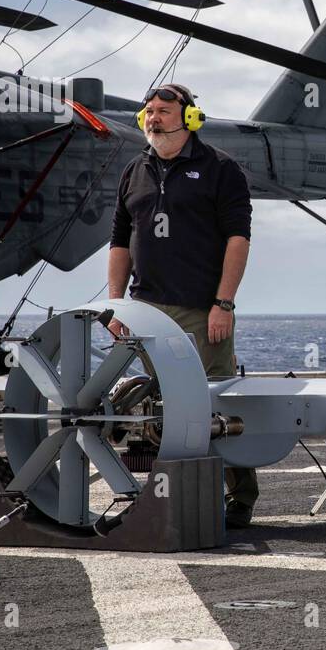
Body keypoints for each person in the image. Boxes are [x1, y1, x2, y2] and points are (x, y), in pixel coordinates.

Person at [106, 83, 258, 529]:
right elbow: (119, 239)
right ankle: (166, 497)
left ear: (189, 118)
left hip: (201, 309)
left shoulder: (220, 169)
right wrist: (116, 304)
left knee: (213, 407)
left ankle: (240, 497)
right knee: (157, 411)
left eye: (164, 111)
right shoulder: (134, 170)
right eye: (148, 112)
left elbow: (238, 238)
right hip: (146, 310)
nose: (153, 118)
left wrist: (223, 303)